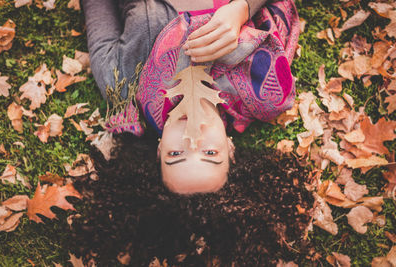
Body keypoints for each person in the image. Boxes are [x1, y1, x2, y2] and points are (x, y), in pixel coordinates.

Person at [82, 0, 300, 194]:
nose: (192, 140)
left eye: (176, 153)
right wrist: (242, 8)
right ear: (230, 148)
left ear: (159, 150)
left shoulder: (122, 85)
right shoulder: (267, 89)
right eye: (210, 152)